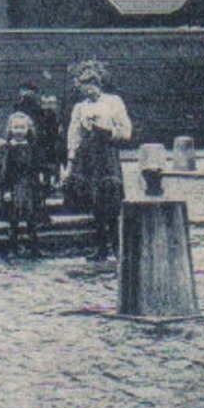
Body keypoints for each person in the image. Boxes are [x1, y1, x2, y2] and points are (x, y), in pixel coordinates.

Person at [63, 60, 133, 260]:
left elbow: (126, 131)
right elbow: (73, 135)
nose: (89, 90)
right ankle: (100, 248)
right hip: (88, 156)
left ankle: (118, 247)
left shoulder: (114, 102)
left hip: (107, 153)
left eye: (93, 85)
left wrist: (107, 131)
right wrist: (70, 161)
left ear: (100, 83)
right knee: (95, 202)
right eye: (85, 86)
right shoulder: (79, 107)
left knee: (111, 199)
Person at [0, 111, 50, 258]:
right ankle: (13, 248)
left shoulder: (33, 148)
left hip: (31, 186)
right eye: (16, 127)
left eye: (22, 127)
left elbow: (40, 166)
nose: (19, 131)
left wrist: (43, 178)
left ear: (28, 129)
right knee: (14, 219)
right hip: (14, 187)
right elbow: (2, 172)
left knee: (32, 219)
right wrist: (5, 190)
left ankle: (34, 248)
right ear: (10, 129)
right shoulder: (6, 149)